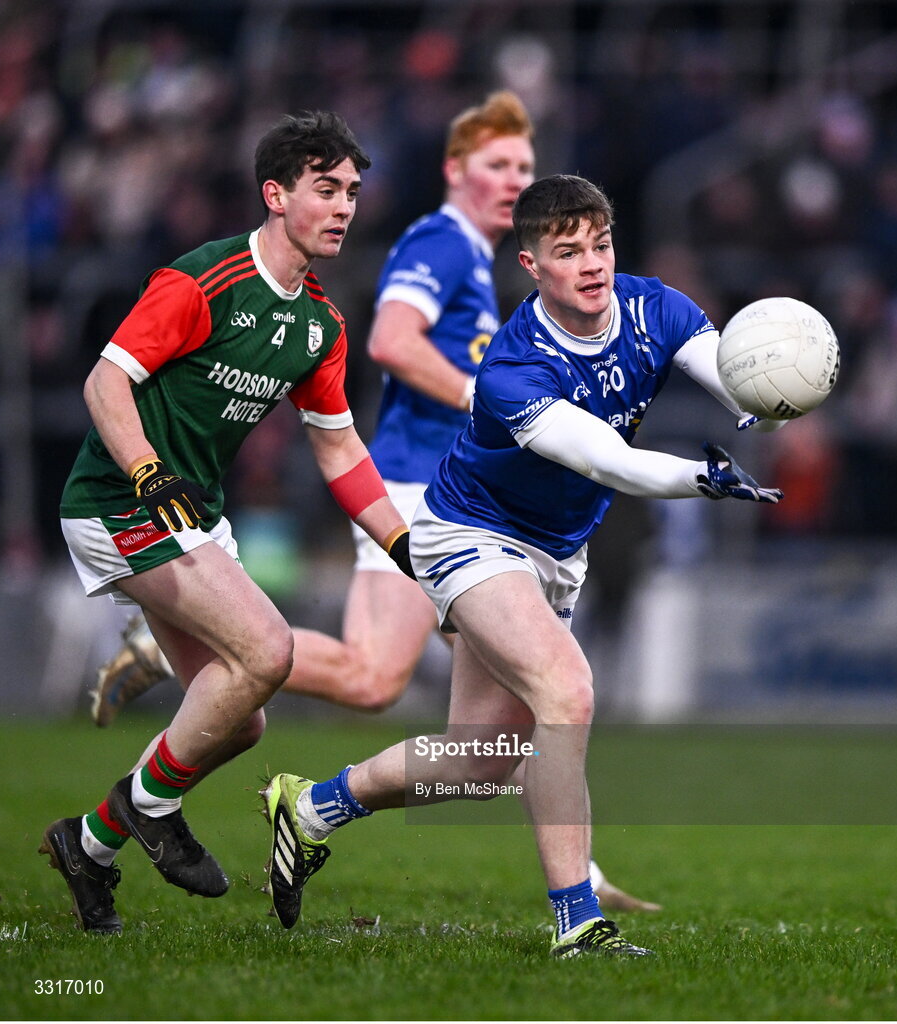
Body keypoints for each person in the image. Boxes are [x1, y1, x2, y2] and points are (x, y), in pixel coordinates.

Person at [88, 92, 659, 913]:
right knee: (385, 677)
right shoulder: (440, 242)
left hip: (470, 502)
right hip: (420, 491)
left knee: (484, 736)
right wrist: (493, 401)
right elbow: (392, 342)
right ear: (455, 171)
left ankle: (318, 805)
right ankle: (574, 898)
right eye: (497, 166)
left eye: (525, 167)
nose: (515, 182)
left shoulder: (481, 263)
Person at [260, 174, 783, 958]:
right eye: (568, 251)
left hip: (555, 552)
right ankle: (579, 923)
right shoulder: (512, 369)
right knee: (566, 692)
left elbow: (729, 367)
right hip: (470, 532)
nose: (592, 263)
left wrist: (770, 390)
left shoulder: (655, 307)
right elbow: (607, 460)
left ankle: (309, 810)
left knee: (483, 760)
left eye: (600, 244)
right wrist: (699, 477)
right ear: (533, 265)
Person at [39, 111, 416, 935]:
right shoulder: (203, 282)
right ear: (274, 194)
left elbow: (341, 450)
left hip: (192, 517)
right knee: (269, 650)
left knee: (240, 718)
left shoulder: (319, 323)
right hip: (118, 502)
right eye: (327, 189)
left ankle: (90, 843)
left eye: (353, 191)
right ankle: (153, 810)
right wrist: (146, 468)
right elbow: (105, 386)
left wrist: (402, 542)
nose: (346, 206)